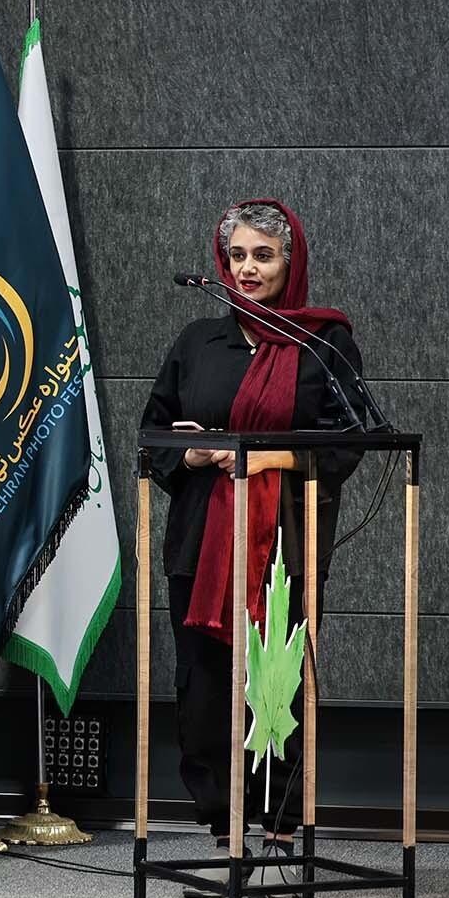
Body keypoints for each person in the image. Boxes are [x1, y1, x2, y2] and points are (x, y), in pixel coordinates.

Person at [140, 199, 364, 863]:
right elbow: (152, 430)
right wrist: (186, 454)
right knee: (205, 683)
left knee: (277, 679)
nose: (247, 268)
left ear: (290, 263)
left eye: (262, 255)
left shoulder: (323, 342)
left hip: (285, 540)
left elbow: (349, 441)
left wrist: (268, 457)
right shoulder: (196, 343)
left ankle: (281, 823)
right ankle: (222, 824)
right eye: (236, 255)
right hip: (201, 540)